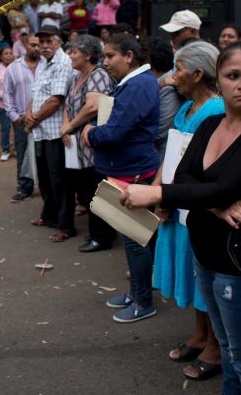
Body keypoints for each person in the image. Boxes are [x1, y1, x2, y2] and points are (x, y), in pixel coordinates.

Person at [122, 42, 241, 394]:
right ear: (218, 81)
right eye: (232, 75)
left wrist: (158, 193)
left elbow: (221, 186)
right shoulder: (209, 125)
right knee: (229, 351)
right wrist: (216, 204)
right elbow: (186, 177)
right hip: (206, 256)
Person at [152, 41, 225, 380]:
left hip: (195, 206)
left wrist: (173, 196)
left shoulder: (217, 111)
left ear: (197, 74)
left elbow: (208, 168)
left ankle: (216, 346)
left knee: (204, 278)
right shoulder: (186, 108)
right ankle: (199, 335)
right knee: (191, 272)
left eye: (178, 68)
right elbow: (172, 154)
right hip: (176, 203)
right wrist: (158, 191)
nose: (173, 75)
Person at [81, 33, 161, 322]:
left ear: (129, 56)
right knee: (133, 239)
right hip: (127, 170)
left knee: (134, 241)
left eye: (110, 56)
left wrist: (91, 134)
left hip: (133, 173)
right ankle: (136, 292)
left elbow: (115, 131)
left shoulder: (139, 84)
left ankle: (143, 301)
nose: (105, 63)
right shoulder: (135, 82)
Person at [59, 34, 115, 253]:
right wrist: (66, 125)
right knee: (87, 190)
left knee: (96, 191)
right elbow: (67, 104)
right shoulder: (76, 77)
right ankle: (99, 234)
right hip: (80, 146)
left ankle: (101, 237)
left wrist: (70, 126)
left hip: (95, 145)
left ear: (89, 55)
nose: (70, 56)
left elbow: (92, 107)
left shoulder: (98, 75)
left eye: (74, 52)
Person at [26, 25, 74, 242]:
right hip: (41, 132)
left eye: (49, 42)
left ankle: (65, 225)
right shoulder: (44, 63)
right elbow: (36, 94)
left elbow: (56, 99)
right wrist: (29, 113)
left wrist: (33, 119)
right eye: (41, 41)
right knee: (45, 178)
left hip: (55, 132)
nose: (44, 46)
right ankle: (49, 216)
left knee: (60, 181)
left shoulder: (63, 63)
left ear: (58, 42)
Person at [3, 34, 43, 202]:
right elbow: (7, 94)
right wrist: (13, 116)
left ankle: (45, 186)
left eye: (38, 45)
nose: (36, 48)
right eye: (32, 45)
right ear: (25, 45)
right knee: (22, 153)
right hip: (21, 120)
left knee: (44, 154)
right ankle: (24, 187)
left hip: (44, 118)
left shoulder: (47, 65)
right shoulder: (13, 67)